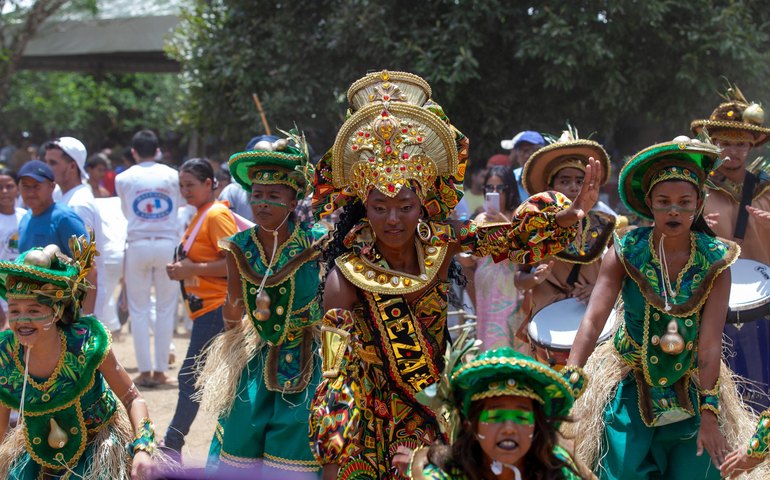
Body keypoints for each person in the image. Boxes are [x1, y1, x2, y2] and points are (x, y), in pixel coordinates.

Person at [309, 70, 600, 479]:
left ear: (422, 202)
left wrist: (568, 215)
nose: (393, 219)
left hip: (429, 410)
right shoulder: (346, 276)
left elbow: (508, 238)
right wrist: (334, 453)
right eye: (379, 207)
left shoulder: (441, 242)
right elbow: (334, 376)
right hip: (367, 422)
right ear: (364, 205)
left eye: (405, 205)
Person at [564, 137, 766, 479]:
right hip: (629, 388)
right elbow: (594, 319)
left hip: (692, 390)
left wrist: (710, 415)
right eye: (664, 201)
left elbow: (709, 343)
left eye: (684, 202)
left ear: (699, 203)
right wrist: (569, 379)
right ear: (649, 203)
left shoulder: (716, 260)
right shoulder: (626, 250)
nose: (674, 211)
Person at [196, 132, 325, 476]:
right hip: (255, 359)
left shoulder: (318, 245)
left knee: (297, 436)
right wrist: (229, 355)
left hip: (308, 360)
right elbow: (233, 304)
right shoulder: (238, 246)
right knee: (242, 432)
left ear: (294, 199)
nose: (263, 203)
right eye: (257, 195)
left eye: (273, 195)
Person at [0, 238, 160, 479]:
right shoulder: (6, 357)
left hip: (97, 452)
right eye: (15, 311)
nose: (22, 321)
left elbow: (132, 398)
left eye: (34, 311)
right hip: (38, 456)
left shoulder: (87, 343)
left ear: (56, 312)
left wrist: (142, 448)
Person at [691, 84, 770, 409]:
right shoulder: (693, 189)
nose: (732, 152)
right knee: (724, 394)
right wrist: (694, 229)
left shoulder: (766, 187)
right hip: (712, 304)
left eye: (740, 144)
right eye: (724, 143)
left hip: (766, 306)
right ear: (712, 143)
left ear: (751, 146)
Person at [398, 347, 590, 479]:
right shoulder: (443, 476)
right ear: (470, 426)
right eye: (495, 417)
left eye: (522, 418)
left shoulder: (557, 471)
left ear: (536, 428)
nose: (509, 429)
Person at [514, 130, 615, 348]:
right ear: (550, 188)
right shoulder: (533, 229)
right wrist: (534, 279)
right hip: (546, 323)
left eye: (580, 180)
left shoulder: (604, 226)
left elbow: (620, 277)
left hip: (593, 318)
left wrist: (598, 289)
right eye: (565, 180)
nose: (573, 187)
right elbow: (519, 279)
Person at [161, 158, 234, 458]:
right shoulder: (202, 214)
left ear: (209, 183)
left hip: (217, 308)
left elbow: (234, 264)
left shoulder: (216, 215)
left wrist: (192, 268)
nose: (185, 191)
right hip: (206, 308)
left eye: (190, 185)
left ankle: (172, 444)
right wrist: (184, 269)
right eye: (181, 186)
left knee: (189, 375)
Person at [115, 130, 183, 388]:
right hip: (167, 242)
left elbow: (125, 210)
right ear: (157, 150)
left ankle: (145, 371)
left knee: (139, 309)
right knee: (166, 309)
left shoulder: (123, 178)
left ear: (133, 152)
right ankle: (161, 370)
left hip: (137, 243)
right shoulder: (173, 176)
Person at [458, 166, 526, 351]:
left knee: (508, 337)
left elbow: (520, 257)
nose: (494, 193)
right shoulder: (479, 219)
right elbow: (469, 261)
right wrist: (458, 244)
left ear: (510, 189)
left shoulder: (518, 218)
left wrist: (503, 223)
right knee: (488, 336)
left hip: (510, 287)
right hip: (485, 288)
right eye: (489, 188)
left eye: (500, 188)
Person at [45, 137, 103, 317]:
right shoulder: (67, 197)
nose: (47, 168)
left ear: (72, 166)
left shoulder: (77, 204)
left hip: (79, 300)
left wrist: (84, 315)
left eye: (53, 163)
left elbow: (86, 264)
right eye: (46, 162)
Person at [17, 160, 87, 257]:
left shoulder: (64, 219)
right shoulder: (25, 219)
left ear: (52, 186)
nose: (30, 193)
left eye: (36, 186)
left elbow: (89, 267)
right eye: (26, 186)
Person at [0, 168, 25, 330]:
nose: (4, 191)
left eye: (9, 186)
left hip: (23, 291)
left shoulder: (26, 216)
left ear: (17, 188)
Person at [501, 130, 546, 203]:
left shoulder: (550, 177)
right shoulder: (510, 178)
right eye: (524, 151)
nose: (528, 155)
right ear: (517, 154)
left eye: (534, 151)